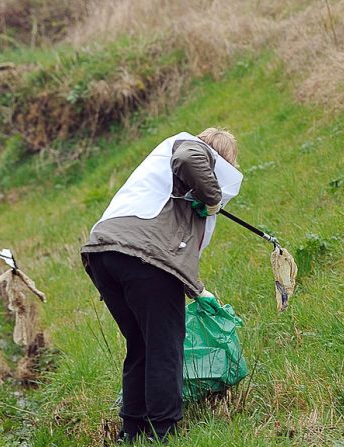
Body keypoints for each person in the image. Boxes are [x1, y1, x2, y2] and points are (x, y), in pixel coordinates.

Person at [80, 128, 242, 443]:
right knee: (164, 347)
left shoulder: (164, 182)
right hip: (143, 259)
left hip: (104, 255)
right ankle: (163, 432)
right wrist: (212, 199)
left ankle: (132, 430)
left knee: (140, 344)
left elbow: (170, 247)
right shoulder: (191, 148)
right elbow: (188, 156)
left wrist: (197, 289)